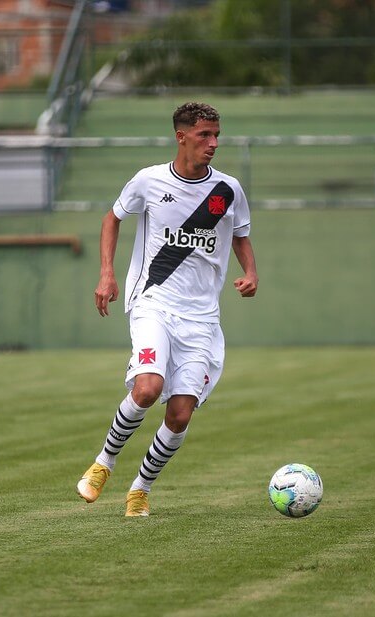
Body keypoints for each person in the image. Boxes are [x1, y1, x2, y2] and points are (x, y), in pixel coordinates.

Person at [76, 102, 259, 517]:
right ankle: (103, 463)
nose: (213, 143)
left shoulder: (227, 190)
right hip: (153, 302)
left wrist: (251, 272)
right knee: (147, 388)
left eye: (216, 135)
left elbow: (241, 234)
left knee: (179, 416)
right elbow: (112, 218)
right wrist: (107, 273)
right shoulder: (149, 180)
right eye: (204, 135)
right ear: (181, 136)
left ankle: (141, 488)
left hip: (202, 319)